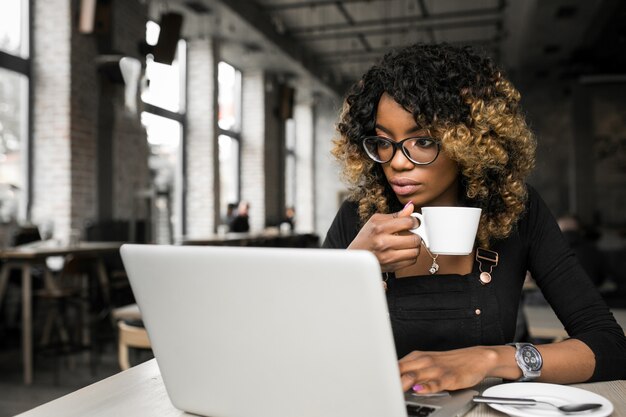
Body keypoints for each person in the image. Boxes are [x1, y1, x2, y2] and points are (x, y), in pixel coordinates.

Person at [323, 43, 626, 393]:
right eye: (384, 141)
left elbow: (611, 347)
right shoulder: (358, 217)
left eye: (422, 141)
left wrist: (491, 359)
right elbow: (301, 347)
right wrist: (350, 269)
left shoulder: (518, 213)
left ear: (469, 142)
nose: (397, 162)